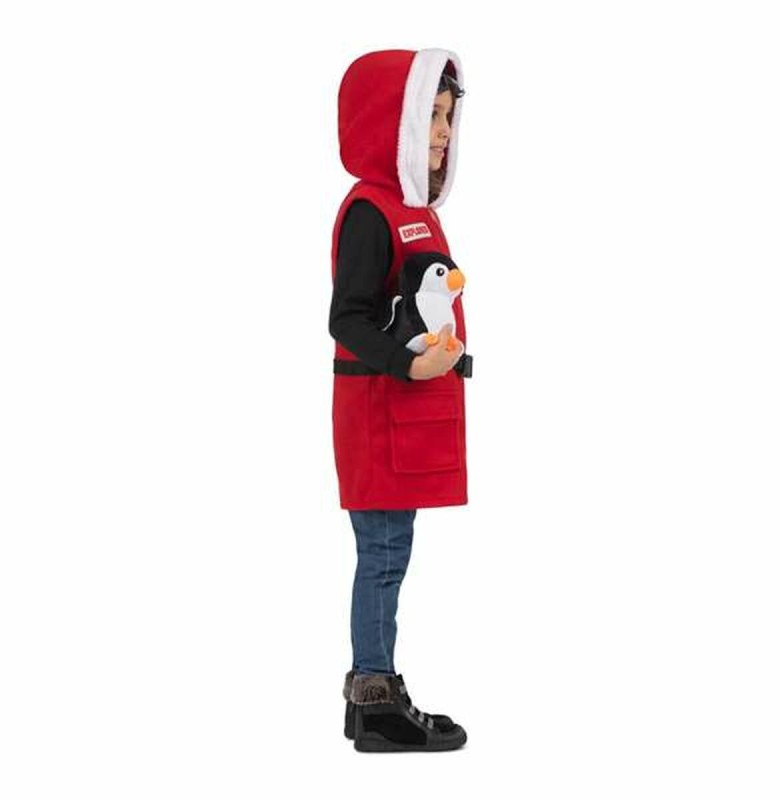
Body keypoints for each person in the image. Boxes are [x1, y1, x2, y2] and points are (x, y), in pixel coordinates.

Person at [329, 48, 472, 753]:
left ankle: (375, 698)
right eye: (430, 115)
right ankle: (375, 698)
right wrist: (409, 365)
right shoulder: (370, 211)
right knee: (382, 557)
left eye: (449, 117)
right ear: (394, 123)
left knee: (390, 554)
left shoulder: (415, 212)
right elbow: (348, 319)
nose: (443, 132)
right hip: (379, 419)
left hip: (405, 420)